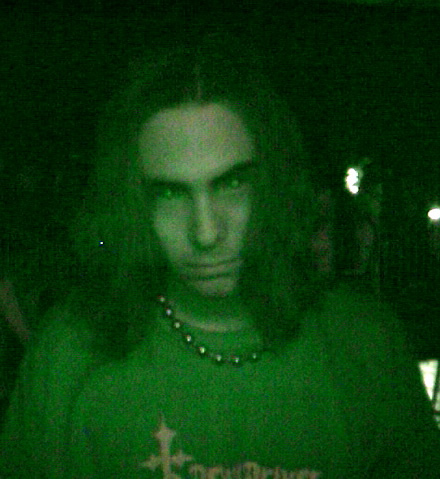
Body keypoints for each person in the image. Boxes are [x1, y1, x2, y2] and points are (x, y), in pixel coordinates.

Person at [1, 31, 439, 479]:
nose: (206, 233)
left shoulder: (364, 344)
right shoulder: (71, 352)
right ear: (131, 204)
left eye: (232, 184)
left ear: (275, 184)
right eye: (170, 194)